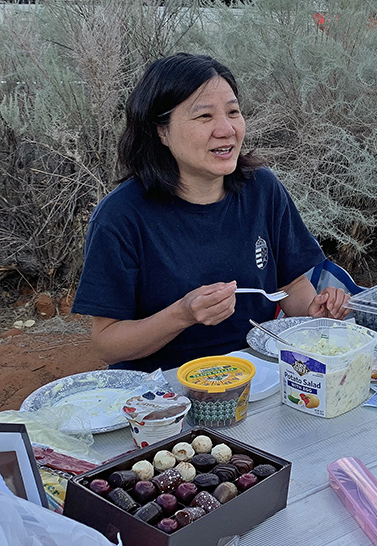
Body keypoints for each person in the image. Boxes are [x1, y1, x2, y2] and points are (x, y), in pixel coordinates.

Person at [72, 53, 351, 372]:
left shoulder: (262, 188)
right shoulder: (120, 216)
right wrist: (182, 314)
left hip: (258, 376)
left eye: (233, 112)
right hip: (163, 395)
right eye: (204, 116)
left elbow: (290, 286)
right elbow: (107, 343)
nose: (226, 129)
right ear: (161, 131)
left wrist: (313, 313)